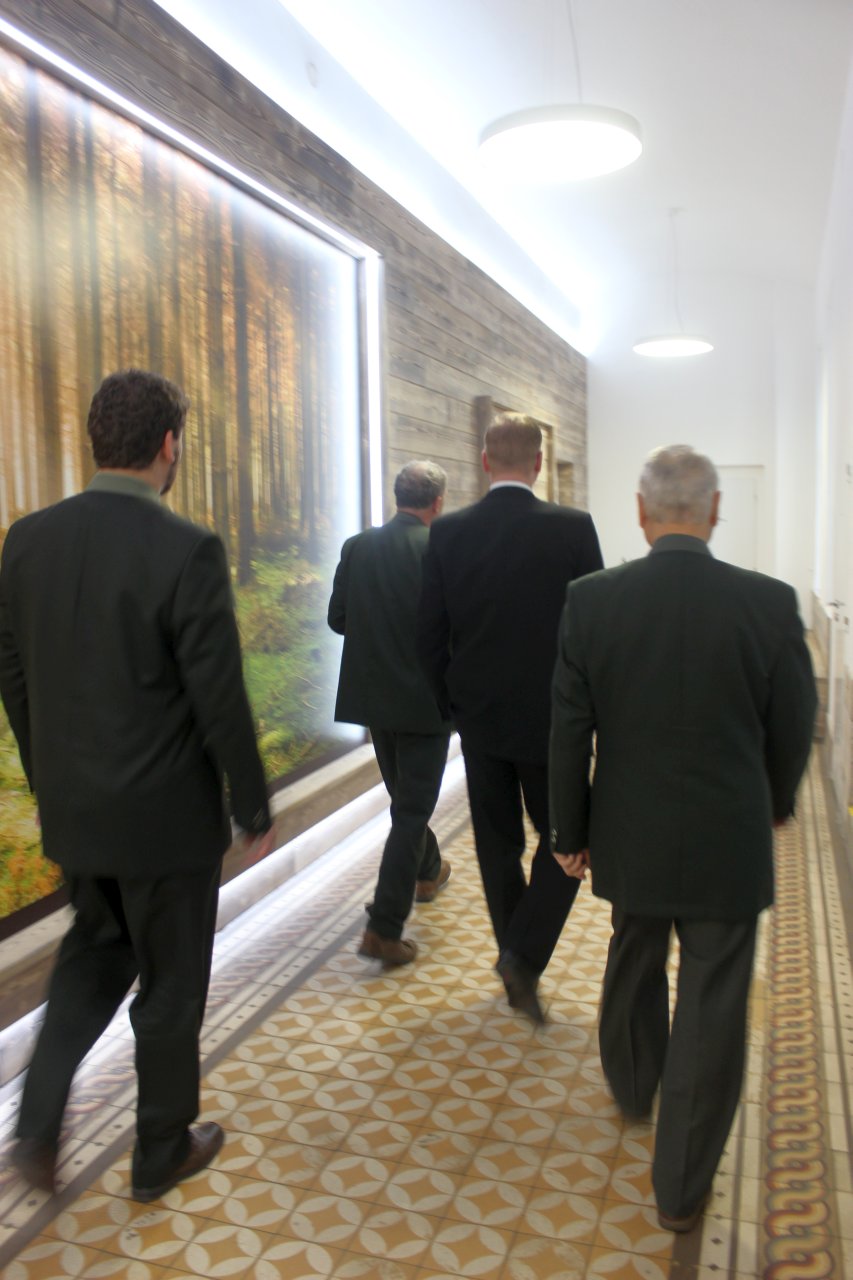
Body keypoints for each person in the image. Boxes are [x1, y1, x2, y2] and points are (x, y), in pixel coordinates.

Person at [0, 369, 274, 1202]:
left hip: (78, 815)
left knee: (93, 951)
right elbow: (217, 692)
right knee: (170, 984)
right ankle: (160, 1148)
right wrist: (251, 802)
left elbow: (13, 672)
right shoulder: (185, 548)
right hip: (166, 822)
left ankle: (36, 1124)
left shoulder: (26, 540)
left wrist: (49, 777)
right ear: (168, 445)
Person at [550, 444, 816, 1232]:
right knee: (712, 1001)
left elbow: (568, 727)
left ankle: (634, 1087)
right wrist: (774, 800)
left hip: (628, 829)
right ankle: (679, 1187)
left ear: (639, 512)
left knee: (632, 950)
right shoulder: (766, 603)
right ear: (714, 511)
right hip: (726, 836)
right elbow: (793, 721)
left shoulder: (591, 600)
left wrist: (569, 829)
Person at [418, 414, 603, 1022]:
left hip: (481, 720)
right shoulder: (573, 528)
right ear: (539, 464)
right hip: (556, 723)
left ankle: (516, 955)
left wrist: (451, 709)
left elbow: (429, 634)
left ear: (484, 461)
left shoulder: (449, 532)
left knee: (497, 846)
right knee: (567, 842)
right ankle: (521, 957)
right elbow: (593, 632)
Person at [328, 461, 451, 967]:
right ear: (437, 503)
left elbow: (338, 619)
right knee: (411, 809)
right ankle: (384, 928)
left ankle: (429, 869)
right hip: (427, 703)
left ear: (396, 496)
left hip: (375, 700)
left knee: (407, 801)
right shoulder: (443, 550)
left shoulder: (357, 547)